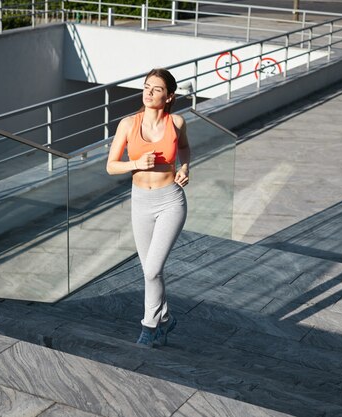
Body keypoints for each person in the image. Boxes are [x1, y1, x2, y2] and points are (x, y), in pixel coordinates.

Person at [106, 68, 190, 347]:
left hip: (170, 200)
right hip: (140, 201)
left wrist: (185, 167)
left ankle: (149, 327)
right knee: (150, 270)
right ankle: (167, 320)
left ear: (169, 96)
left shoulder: (177, 122)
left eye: (156, 89)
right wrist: (135, 164)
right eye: (146, 87)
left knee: (152, 270)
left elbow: (186, 149)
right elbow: (111, 165)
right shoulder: (128, 124)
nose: (149, 92)